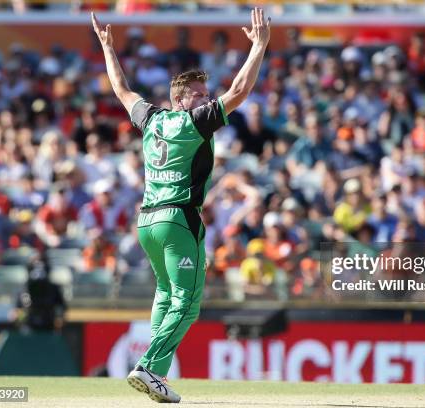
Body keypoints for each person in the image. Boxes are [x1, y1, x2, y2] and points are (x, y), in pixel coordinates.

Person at [92, 8, 271, 403]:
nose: (206, 99)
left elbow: (122, 90)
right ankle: (150, 367)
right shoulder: (193, 122)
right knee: (188, 304)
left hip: (148, 223)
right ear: (180, 100)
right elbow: (239, 91)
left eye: (205, 96)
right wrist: (258, 46)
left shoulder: (152, 120)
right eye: (198, 95)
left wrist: (108, 48)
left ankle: (155, 373)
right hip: (177, 220)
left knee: (166, 293)